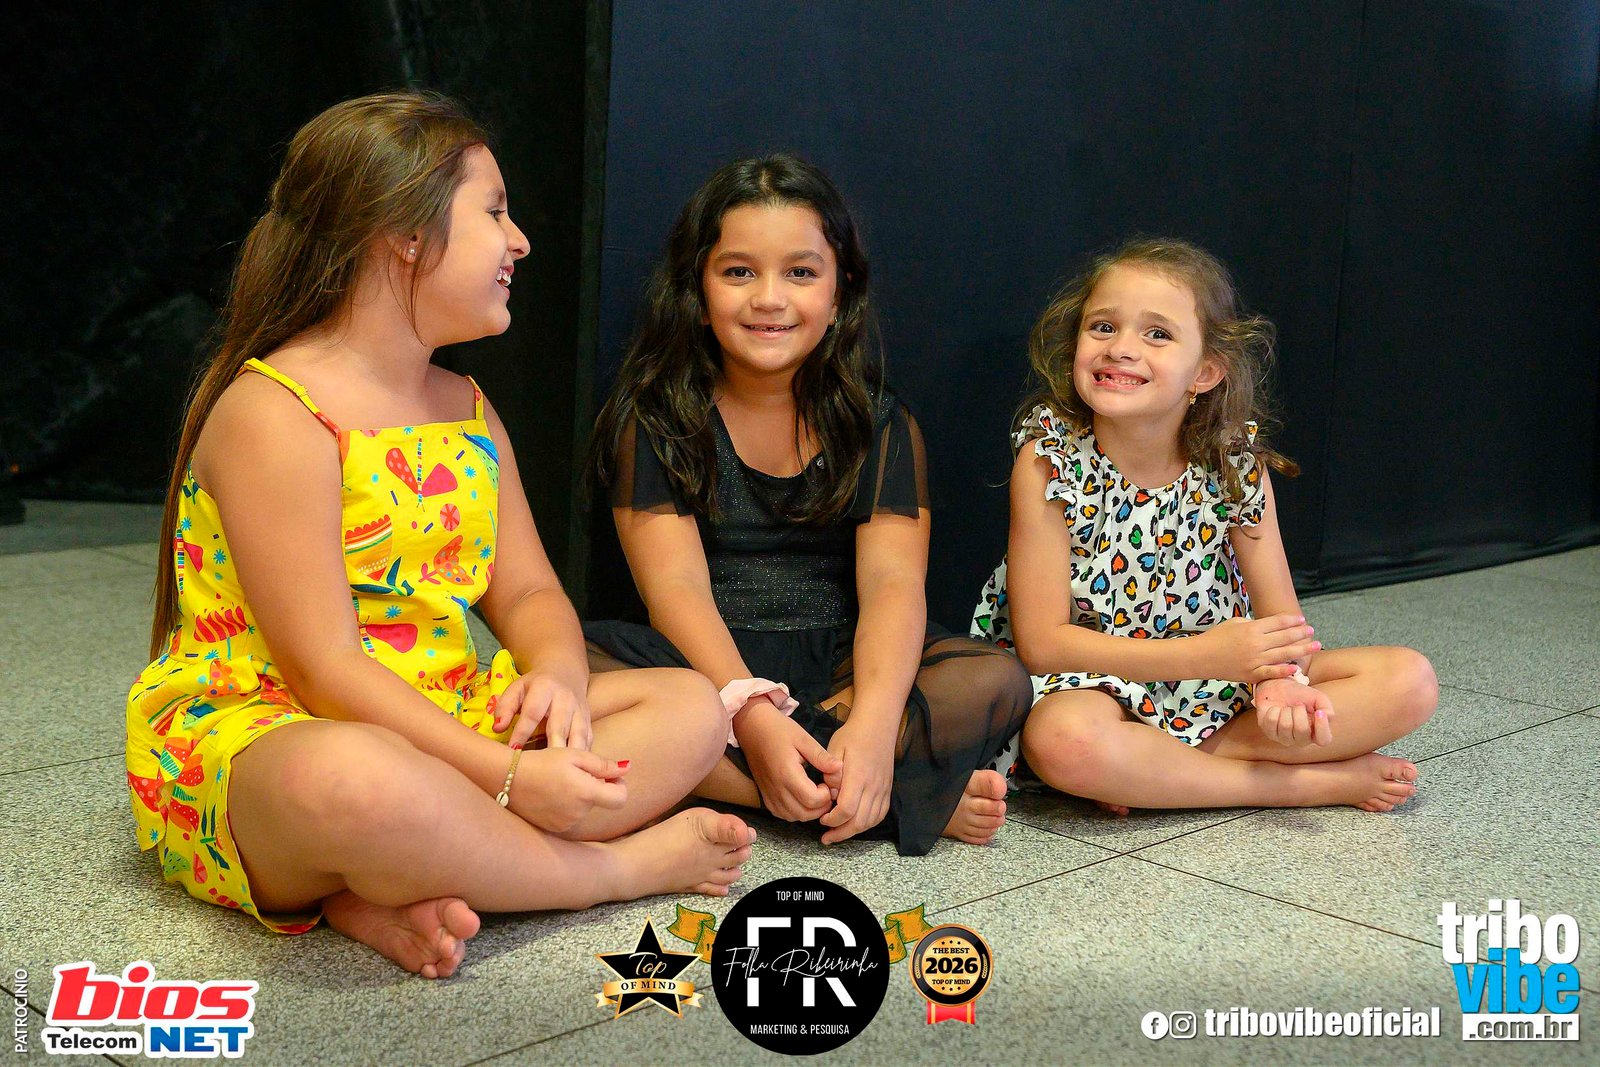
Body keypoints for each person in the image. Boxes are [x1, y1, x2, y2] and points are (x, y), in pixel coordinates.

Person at [126, 92, 754, 980]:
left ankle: (387, 879)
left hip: (446, 715)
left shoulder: (467, 408)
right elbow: (324, 670)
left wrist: (559, 679)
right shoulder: (272, 411)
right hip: (285, 729)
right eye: (494, 212)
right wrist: (509, 777)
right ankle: (599, 872)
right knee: (358, 782)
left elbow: (529, 591)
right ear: (407, 237)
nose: (520, 241)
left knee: (691, 708)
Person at [586, 154, 1030, 856]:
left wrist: (875, 727)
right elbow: (676, 589)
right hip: (703, 665)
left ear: (840, 290)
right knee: (567, 674)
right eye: (739, 272)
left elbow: (893, 585)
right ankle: (894, 797)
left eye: (800, 272)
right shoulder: (658, 421)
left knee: (993, 678)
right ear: (697, 288)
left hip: (838, 669)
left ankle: (827, 773)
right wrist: (752, 714)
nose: (770, 298)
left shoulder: (880, 424)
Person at [972, 237, 1437, 814]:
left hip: (1221, 680)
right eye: (1103, 327)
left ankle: (1157, 773)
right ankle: (1299, 786)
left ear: (1206, 372)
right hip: (1095, 681)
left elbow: (1283, 624)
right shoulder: (1050, 460)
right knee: (1065, 741)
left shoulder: (1234, 463)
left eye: (1157, 334)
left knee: (1410, 680)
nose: (1121, 348)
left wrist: (1280, 683)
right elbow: (1044, 647)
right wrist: (1202, 657)